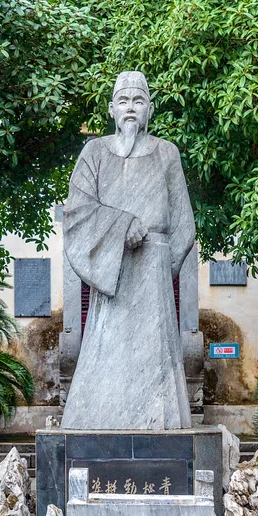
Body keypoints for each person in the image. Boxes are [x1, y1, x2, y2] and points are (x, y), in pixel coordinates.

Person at [60, 71, 195, 430]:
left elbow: (184, 224)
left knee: (157, 366)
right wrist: (120, 227)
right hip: (112, 277)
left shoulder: (168, 154)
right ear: (111, 110)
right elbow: (76, 213)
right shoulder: (95, 153)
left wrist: (160, 268)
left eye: (138, 101)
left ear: (149, 109)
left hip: (154, 277)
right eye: (123, 101)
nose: (131, 108)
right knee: (107, 353)